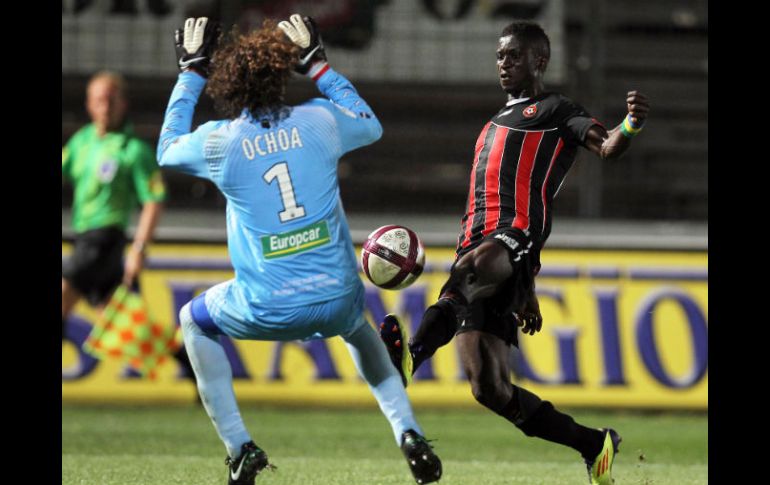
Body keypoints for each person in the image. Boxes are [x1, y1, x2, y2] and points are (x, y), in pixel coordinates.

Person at [158, 15, 442, 485]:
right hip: (337, 299)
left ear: (228, 85)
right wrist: (319, 66)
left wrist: (190, 72)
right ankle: (408, 431)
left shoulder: (218, 143)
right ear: (281, 76)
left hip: (264, 306)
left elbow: (166, 149)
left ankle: (240, 448)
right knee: (359, 330)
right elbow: (370, 125)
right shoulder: (320, 120)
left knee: (194, 320)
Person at [379, 21, 650, 485]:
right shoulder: (491, 125)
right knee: (489, 387)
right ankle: (594, 444)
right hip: (484, 247)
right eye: (500, 56)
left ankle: (412, 357)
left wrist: (630, 124)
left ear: (539, 61)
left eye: (514, 56)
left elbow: (607, 147)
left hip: (514, 236)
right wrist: (526, 289)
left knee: (469, 272)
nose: (504, 64)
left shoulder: (557, 110)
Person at [62, 71, 198, 385]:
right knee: (127, 326)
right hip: (84, 238)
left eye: (111, 100)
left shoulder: (134, 150)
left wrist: (139, 248)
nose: (105, 107)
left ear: (123, 104)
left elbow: (154, 201)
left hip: (104, 238)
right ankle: (188, 360)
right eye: (99, 100)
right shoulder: (82, 142)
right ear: (89, 104)